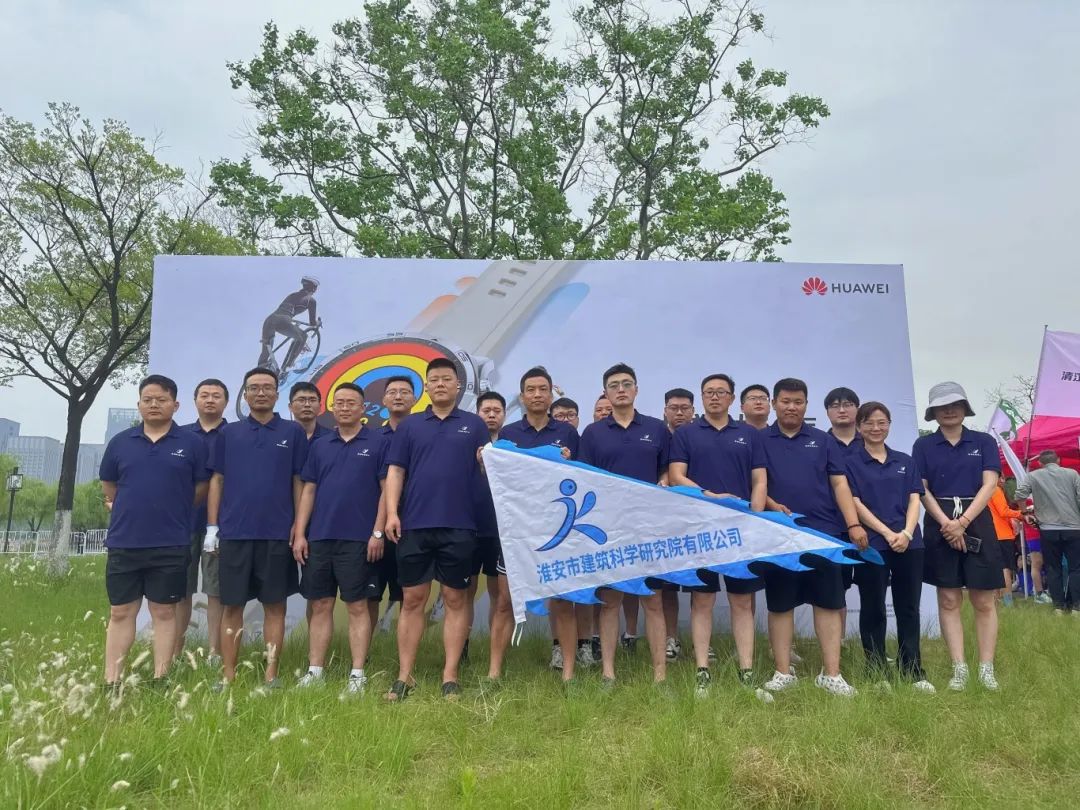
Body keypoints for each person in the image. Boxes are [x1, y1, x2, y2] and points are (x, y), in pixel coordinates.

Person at [383, 357, 490, 701]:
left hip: (460, 524)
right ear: (426, 387)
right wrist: (391, 514)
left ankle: (450, 676)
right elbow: (396, 471)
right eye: (435, 379)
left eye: (447, 379)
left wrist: (487, 463)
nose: (441, 384)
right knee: (413, 599)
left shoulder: (474, 425)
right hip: (414, 524)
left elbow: (488, 470)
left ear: (458, 386)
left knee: (455, 598)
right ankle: (404, 676)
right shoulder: (410, 426)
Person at [758, 378, 867, 697]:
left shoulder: (823, 440)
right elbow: (757, 483)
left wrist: (853, 524)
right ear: (774, 403)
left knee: (829, 603)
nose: (791, 407)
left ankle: (831, 674)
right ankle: (783, 672)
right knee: (780, 605)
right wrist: (770, 508)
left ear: (806, 405)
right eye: (785, 401)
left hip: (824, 533)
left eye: (798, 402)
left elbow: (840, 484)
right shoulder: (760, 440)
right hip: (779, 534)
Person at [100, 375, 209, 686]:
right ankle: (112, 681)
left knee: (164, 611)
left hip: (171, 542)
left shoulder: (192, 443)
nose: (153, 405)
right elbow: (109, 486)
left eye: (161, 400)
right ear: (139, 405)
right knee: (121, 612)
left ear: (175, 405)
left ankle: (161, 677)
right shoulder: (120, 442)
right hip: (125, 542)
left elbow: (200, 488)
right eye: (147, 400)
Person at [205, 367, 308, 688]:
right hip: (235, 534)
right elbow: (217, 480)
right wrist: (212, 528)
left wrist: (298, 526)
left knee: (275, 606)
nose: (261, 393)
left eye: (267, 387)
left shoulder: (293, 432)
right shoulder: (229, 433)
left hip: (277, 534)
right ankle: (228, 675)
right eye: (254, 388)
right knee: (232, 606)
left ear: (277, 393)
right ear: (245, 394)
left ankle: (271, 675)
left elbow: (299, 481)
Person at [668, 373, 767, 696]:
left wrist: (754, 515)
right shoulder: (686, 433)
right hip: (700, 529)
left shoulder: (749, 435)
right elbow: (676, 476)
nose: (714, 397)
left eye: (721, 392)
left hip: (741, 530)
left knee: (742, 601)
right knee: (702, 600)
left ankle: (747, 670)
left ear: (732, 398)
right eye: (709, 392)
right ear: (702, 398)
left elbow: (759, 480)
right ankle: (702, 670)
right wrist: (711, 498)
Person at [292, 382, 389, 695]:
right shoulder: (320, 445)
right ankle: (315, 671)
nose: (345, 407)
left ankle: (357, 675)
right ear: (332, 408)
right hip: (320, 538)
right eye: (340, 402)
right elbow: (309, 490)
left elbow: (387, 491)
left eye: (351, 403)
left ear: (363, 408)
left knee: (358, 606)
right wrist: (300, 533)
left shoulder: (378, 442)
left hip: (359, 540)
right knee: (320, 603)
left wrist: (377, 532)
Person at [579, 363, 671, 686]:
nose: (621, 389)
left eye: (627, 383)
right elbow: (584, 478)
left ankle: (660, 675)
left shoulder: (657, 429)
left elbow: (666, 470)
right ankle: (608, 672)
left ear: (636, 389)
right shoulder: (593, 433)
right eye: (614, 385)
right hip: (610, 529)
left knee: (653, 601)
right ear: (605, 392)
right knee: (610, 602)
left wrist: (663, 481)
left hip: (648, 528)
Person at [913, 382, 1002, 690]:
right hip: (939, 521)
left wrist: (962, 522)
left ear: (965, 408)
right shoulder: (923, 445)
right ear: (933, 412)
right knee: (949, 598)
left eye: (955, 404)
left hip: (977, 519)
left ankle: (986, 668)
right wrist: (947, 523)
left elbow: (990, 484)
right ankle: (959, 668)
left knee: (983, 598)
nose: (949, 410)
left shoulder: (984, 441)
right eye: (942, 406)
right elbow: (921, 488)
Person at [500, 368, 583, 680]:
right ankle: (494, 672)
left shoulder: (568, 434)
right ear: (522, 396)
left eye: (542, 389)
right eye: (530, 390)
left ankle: (568, 672)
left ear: (551, 394)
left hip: (559, 528)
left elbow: (582, 476)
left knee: (562, 601)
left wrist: (568, 462)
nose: (537, 395)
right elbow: (502, 479)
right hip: (520, 528)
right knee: (506, 601)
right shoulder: (508, 433)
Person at [846, 402, 935, 692]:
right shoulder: (851, 463)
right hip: (872, 544)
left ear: (889, 425)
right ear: (859, 426)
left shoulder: (904, 461)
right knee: (873, 607)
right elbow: (855, 503)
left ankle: (913, 670)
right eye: (869, 423)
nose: (876, 428)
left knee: (908, 607)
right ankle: (876, 672)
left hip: (910, 544)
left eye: (882, 422)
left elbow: (915, 498)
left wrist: (907, 533)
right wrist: (886, 533)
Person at [177, 379, 228, 664]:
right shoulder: (180, 435)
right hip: (181, 525)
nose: (210, 400)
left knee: (215, 591)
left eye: (216, 396)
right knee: (179, 591)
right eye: (204, 395)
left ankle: (214, 653)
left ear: (226, 402)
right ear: (195, 400)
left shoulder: (233, 435)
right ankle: (174, 652)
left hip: (220, 526)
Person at [369, 375, 416, 633]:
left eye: (405, 392)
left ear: (415, 399)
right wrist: (377, 529)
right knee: (370, 594)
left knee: (410, 594)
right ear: (383, 400)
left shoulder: (423, 433)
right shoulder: (373, 438)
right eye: (393, 392)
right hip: (376, 526)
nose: (398, 396)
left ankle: (405, 649)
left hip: (414, 524)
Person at [466, 390, 507, 674]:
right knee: (464, 592)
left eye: (497, 410)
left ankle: (496, 653)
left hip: (500, 531)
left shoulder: (512, 447)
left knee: (499, 595)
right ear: (477, 413)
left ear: (504, 415)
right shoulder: (465, 442)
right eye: (486, 410)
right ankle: (462, 646)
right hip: (468, 527)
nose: (491, 415)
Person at [655, 387, 696, 660]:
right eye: (674, 408)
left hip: (695, 522)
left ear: (693, 411)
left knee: (700, 589)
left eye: (684, 408)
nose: (679, 413)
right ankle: (671, 638)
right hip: (662, 523)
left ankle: (702, 642)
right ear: (665, 411)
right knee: (666, 587)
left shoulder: (699, 437)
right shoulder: (658, 436)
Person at [1015, 450, 1080, 614]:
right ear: (1058, 460)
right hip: (1073, 527)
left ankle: (1058, 606)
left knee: (1053, 568)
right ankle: (1076, 606)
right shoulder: (1072, 474)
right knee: (1076, 568)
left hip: (1048, 529)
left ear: (1040, 463)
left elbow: (1019, 495)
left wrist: (1025, 513)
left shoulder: (1033, 476)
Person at [258, 276, 319, 373]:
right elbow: (312, 323)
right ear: (313, 289)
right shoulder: (311, 300)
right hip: (283, 320)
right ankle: (288, 367)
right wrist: (317, 324)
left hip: (269, 320)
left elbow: (285, 310)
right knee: (303, 337)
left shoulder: (292, 295)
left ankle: (259, 371)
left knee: (266, 351)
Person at [988, 480, 1023, 606]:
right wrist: (1021, 514)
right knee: (1005, 569)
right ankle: (1008, 601)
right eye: (1001, 477)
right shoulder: (996, 490)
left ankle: (995, 599)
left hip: (990, 534)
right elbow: (1003, 511)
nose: (1003, 481)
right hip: (1002, 535)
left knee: (994, 569)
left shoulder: (983, 490)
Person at [824, 387, 861, 456]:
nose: (842, 410)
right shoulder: (821, 443)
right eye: (835, 406)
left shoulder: (868, 442)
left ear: (857, 410)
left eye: (847, 405)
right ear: (827, 413)